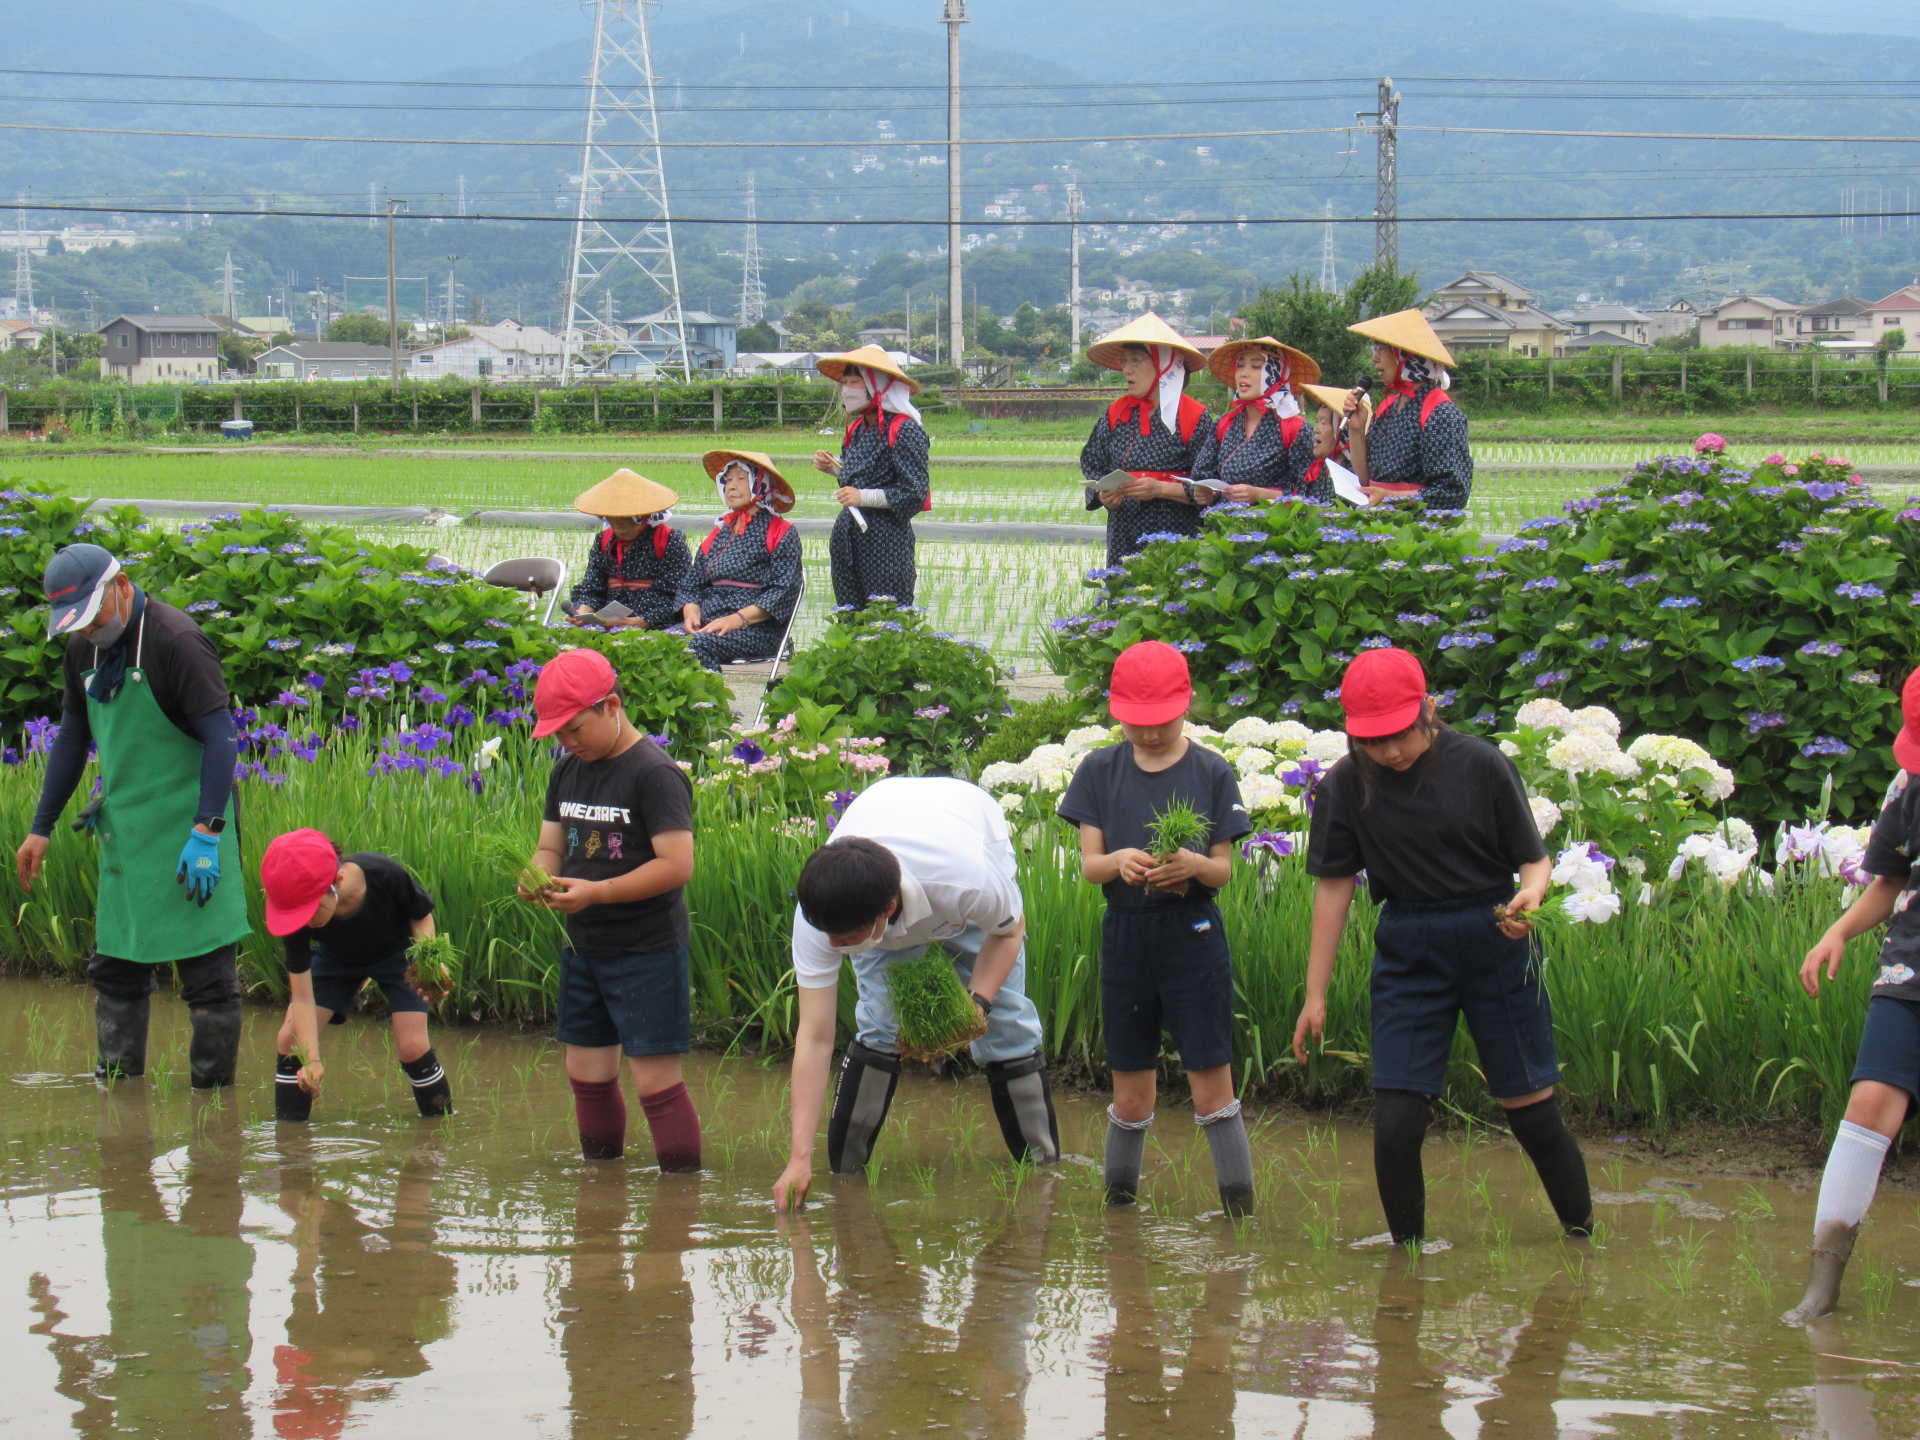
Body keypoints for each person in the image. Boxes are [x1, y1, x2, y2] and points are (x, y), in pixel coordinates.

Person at [1293, 646, 1592, 1246]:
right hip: (1409, 949)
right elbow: (1334, 888)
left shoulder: (1481, 765)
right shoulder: (1348, 784)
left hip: (1495, 938)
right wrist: (1315, 994)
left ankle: (1583, 1241)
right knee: (1397, 1124)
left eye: (1400, 735)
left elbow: (1533, 861)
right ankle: (1407, 1265)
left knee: (1532, 1112)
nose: (1390, 752)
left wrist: (1530, 899)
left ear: (1429, 710)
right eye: (1372, 742)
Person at [14, 543, 249, 1089]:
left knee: (208, 980)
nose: (90, 629)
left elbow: (221, 738)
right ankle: (118, 1102)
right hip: (127, 831)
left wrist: (208, 830)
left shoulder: (176, 641)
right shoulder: (83, 653)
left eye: (95, 615)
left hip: (193, 829)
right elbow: (74, 736)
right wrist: (40, 827)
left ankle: (212, 1107)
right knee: (115, 971)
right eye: (78, 622)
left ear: (121, 588)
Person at [772, 777, 1060, 1208]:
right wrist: (798, 1158)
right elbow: (814, 1038)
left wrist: (976, 1003)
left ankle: (1043, 1173)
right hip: (887, 849)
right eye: (828, 935)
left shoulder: (969, 881)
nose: (834, 948)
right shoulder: (821, 921)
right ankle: (846, 1179)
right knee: (881, 1024)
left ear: (886, 910)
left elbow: (1009, 931)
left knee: (1006, 1024)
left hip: (960, 846)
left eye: (844, 938)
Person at [1057, 641, 1257, 1217]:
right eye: (1135, 724)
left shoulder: (1211, 770)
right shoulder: (1099, 769)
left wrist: (1193, 868)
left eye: (1161, 723)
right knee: (1130, 1092)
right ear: (1116, 712)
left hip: (1193, 934)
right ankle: (1119, 1213)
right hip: (1126, 939)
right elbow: (1091, 866)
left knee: (1211, 1084)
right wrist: (1120, 860)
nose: (1148, 735)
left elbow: (1221, 868)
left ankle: (1238, 1212)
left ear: (1186, 704)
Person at [522, 647, 702, 1172]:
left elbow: (677, 865)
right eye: (557, 734)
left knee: (655, 1083)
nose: (567, 742)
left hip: (646, 948)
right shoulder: (567, 773)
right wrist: (535, 871)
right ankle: (600, 1194)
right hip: (583, 947)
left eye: (574, 729)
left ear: (611, 706)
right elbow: (550, 845)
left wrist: (596, 892)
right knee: (587, 1076)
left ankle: (680, 1205)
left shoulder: (655, 774)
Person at [1782, 666, 1920, 1325]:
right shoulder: (1908, 785)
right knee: (1868, 1105)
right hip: (1911, 968)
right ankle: (1823, 1287)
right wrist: (1836, 931)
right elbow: (1888, 881)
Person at [259, 827, 452, 1122]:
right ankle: (290, 1145)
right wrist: (311, 1059)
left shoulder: (383, 873)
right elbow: (302, 996)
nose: (306, 922)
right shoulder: (296, 915)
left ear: (336, 881)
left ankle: (442, 1128)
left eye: (311, 911)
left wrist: (428, 959)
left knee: (412, 1046)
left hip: (397, 955)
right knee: (290, 1040)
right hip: (336, 960)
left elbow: (421, 913)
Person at [1077, 313, 1215, 568]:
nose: (1126, 369)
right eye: (1124, 361)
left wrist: (1160, 489)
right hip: (1123, 533)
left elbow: (1210, 487)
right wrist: (1103, 494)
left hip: (1175, 535)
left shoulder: (1194, 416)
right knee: (1124, 601)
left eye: (1136, 361)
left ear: (1164, 365)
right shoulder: (1116, 413)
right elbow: (1093, 464)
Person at [811, 345, 929, 610]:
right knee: (849, 618)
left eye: (855, 382)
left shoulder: (904, 430)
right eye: (845, 382)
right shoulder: (857, 428)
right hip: (848, 538)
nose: (847, 389)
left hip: (884, 542)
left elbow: (914, 493)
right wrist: (834, 468)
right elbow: (856, 481)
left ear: (878, 386)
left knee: (886, 619)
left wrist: (863, 496)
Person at [670, 449, 803, 670]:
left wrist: (736, 619)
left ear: (760, 484)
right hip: (709, 622)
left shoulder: (780, 531)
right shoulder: (719, 533)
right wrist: (691, 612)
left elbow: (783, 590)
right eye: (728, 479)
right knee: (658, 642)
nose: (731, 486)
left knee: (693, 647)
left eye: (741, 479)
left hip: (755, 628)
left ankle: (708, 703)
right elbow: (692, 582)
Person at [1343, 309, 1472, 508]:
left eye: (1382, 350)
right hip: (1379, 525)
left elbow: (1452, 493)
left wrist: (1389, 497)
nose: (1375, 359)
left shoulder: (1441, 414)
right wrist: (1356, 429)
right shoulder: (1388, 406)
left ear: (1405, 356)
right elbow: (1366, 479)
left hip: (1416, 530)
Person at [1188, 335, 1323, 505]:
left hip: (1272, 525)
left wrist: (1259, 494)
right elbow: (1202, 473)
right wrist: (1206, 493)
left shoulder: (1294, 428)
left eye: (1256, 366)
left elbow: (1306, 492)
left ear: (1274, 373)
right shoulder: (1223, 423)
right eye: (1240, 365)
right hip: (1225, 524)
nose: (1244, 373)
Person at [566, 467, 689, 631]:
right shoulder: (603, 541)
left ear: (643, 516)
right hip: (607, 622)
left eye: (627, 518)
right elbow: (592, 587)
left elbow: (675, 595)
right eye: (614, 518)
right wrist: (583, 612)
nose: (619, 526)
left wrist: (636, 622)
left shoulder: (669, 541)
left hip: (655, 622)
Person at [1298, 381, 1372, 504]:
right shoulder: (1315, 468)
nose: (1315, 429)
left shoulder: (1355, 474)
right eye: (1317, 421)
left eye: (1324, 423)